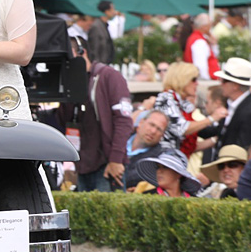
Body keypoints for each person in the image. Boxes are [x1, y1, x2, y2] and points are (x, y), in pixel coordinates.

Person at [59, 37, 133, 191]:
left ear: (82, 52)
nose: (65, 62)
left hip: (107, 165)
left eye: (68, 56)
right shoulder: (71, 82)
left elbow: (124, 120)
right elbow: (63, 120)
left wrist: (116, 160)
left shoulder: (109, 76)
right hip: (82, 165)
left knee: (110, 214)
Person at [199, 57, 251, 158]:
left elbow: (244, 149)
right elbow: (218, 132)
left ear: (235, 85)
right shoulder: (231, 104)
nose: (221, 84)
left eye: (224, 81)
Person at [153, 62, 222, 157]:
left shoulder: (182, 103)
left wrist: (220, 134)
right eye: (193, 80)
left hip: (176, 161)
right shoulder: (166, 98)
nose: (197, 83)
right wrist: (212, 118)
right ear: (182, 80)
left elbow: (191, 140)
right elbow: (181, 128)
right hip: (163, 161)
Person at [123, 109, 169, 191]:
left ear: (162, 135)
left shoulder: (157, 159)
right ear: (140, 123)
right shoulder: (119, 140)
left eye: (159, 129)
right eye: (151, 125)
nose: (153, 131)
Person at [137, 148, 202, 198]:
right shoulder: (148, 198)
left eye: (165, 167)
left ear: (178, 174)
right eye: (158, 167)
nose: (159, 171)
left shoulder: (193, 201)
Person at [182, 13, 220, 80]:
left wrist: (214, 45)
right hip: (208, 80)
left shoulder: (196, 38)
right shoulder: (199, 41)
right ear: (204, 26)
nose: (210, 28)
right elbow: (200, 66)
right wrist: (206, 81)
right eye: (209, 25)